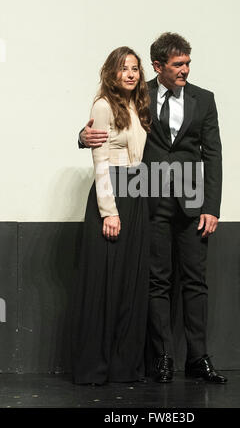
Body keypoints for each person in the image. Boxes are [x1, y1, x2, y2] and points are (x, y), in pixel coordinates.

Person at [79, 33, 227, 384]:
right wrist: (82, 137)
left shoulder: (204, 99)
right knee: (157, 280)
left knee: (195, 281)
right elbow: (110, 123)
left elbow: (214, 154)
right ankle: (162, 358)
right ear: (158, 66)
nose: (185, 70)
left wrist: (212, 205)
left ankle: (198, 358)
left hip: (192, 202)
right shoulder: (139, 93)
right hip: (150, 195)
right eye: (178, 64)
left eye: (188, 63)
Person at [71, 46, 151, 385]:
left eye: (135, 68)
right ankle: (95, 368)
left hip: (137, 193)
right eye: (124, 69)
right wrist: (109, 212)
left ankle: (123, 367)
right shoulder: (103, 106)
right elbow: (100, 162)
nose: (131, 74)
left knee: (129, 285)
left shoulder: (138, 106)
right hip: (113, 196)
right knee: (105, 284)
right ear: (111, 73)